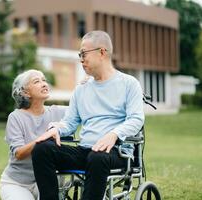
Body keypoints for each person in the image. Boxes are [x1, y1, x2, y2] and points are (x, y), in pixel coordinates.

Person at [32, 30, 145, 200]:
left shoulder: (129, 84)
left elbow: (136, 119)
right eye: (80, 54)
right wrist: (57, 128)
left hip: (116, 153)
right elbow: (70, 122)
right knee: (42, 149)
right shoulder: (81, 89)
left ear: (102, 52)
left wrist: (114, 135)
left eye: (84, 53)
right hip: (85, 151)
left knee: (97, 157)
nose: (81, 59)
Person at [0, 69, 66, 200]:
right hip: (17, 184)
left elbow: (81, 109)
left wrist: (87, 85)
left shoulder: (56, 112)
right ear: (25, 92)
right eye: (37, 81)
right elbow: (19, 153)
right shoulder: (15, 117)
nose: (44, 84)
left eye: (44, 80)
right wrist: (42, 139)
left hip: (47, 181)